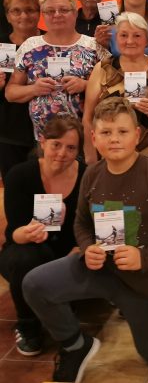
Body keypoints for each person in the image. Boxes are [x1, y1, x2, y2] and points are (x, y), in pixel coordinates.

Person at [22, 97, 148, 383]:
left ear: (137, 135)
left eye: (122, 131)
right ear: (94, 138)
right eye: (106, 132)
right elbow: (81, 222)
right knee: (34, 284)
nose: (114, 139)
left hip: (143, 282)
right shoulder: (92, 174)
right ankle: (75, 345)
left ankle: (141, 317)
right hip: (100, 270)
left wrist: (146, 257)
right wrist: (87, 248)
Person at [0, 116, 86, 356]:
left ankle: (59, 304)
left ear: (78, 151)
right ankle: (28, 326)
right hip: (27, 253)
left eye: (71, 148)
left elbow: (90, 225)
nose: (62, 153)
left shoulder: (87, 176)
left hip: (69, 254)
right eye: (56, 144)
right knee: (25, 257)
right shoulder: (20, 175)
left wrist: (82, 247)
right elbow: (13, 234)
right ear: (43, 142)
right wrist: (25, 234)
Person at [5, 0, 110, 140]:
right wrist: (34, 89)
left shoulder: (94, 47)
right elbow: (10, 92)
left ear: (75, 13)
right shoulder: (29, 46)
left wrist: (86, 85)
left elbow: (114, 88)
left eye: (63, 10)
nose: (57, 15)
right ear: (43, 15)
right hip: (44, 141)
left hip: (88, 139)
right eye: (50, 11)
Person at [82, 12, 148, 165]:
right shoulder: (102, 68)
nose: (130, 41)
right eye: (124, 35)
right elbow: (88, 118)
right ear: (116, 38)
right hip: (110, 157)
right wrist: (91, 157)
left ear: (146, 40)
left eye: (137, 36)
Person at [0, 0, 41, 179]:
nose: (24, 16)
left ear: (39, 13)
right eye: (16, 11)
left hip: (47, 133)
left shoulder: (50, 41)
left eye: (30, 10)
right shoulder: (2, 47)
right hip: (10, 133)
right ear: (8, 16)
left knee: (47, 190)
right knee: (15, 188)